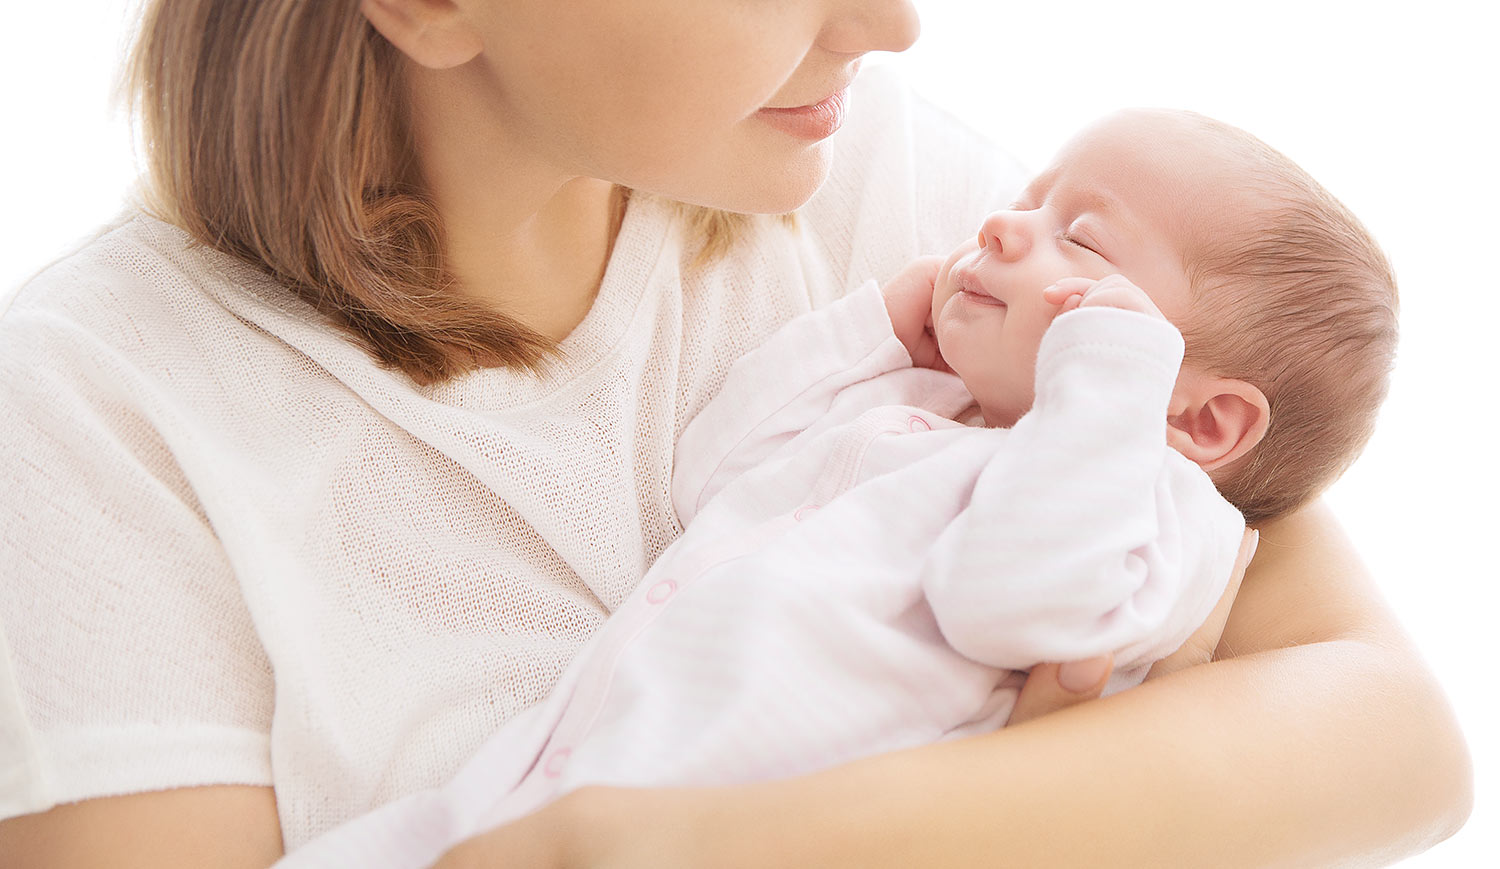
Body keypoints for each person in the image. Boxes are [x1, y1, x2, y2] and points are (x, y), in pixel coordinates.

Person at [0, 1, 1470, 867]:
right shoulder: (98, 416)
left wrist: (656, 849)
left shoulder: (866, 173)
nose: (891, 23)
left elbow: (1396, 739)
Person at [270, 108, 1394, 868]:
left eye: (1083, 241)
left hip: (727, 816)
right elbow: (718, 472)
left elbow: (1013, 606)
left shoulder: (1154, 508)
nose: (1005, 225)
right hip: (562, 767)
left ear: (1202, 416)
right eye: (1030, 198)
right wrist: (870, 333)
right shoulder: (928, 415)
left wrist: (1104, 387)